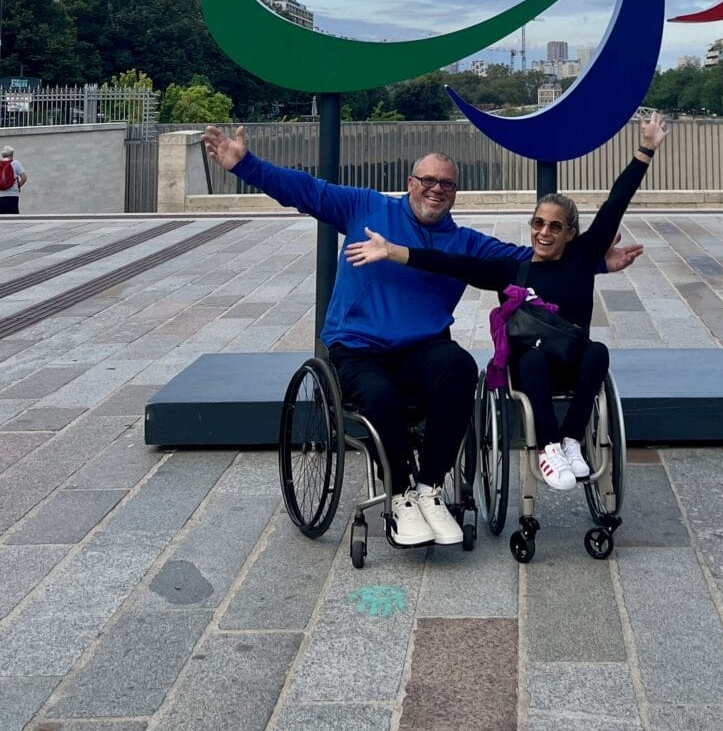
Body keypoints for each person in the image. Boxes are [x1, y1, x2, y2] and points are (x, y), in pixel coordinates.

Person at [201, 129, 549, 549]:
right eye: (427, 180)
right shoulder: (367, 207)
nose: (436, 190)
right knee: (381, 397)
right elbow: (304, 190)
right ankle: (400, 492)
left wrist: (595, 258)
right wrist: (244, 164)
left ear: (455, 192)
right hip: (359, 349)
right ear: (410, 183)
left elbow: (531, 259)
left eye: (446, 184)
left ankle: (429, 488)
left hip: (421, 349)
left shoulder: (464, 243)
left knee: (459, 368)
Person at [346, 111, 667, 493]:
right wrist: (395, 251)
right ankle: (548, 447)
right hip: (530, 366)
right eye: (538, 224)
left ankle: (570, 440)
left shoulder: (582, 258)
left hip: (572, 359)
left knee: (598, 351)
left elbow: (616, 203)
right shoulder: (509, 269)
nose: (544, 233)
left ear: (571, 234)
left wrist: (645, 150)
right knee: (531, 359)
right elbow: (451, 264)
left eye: (555, 227)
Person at [0, 145, 26, 215]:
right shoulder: (16, 163)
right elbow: (24, 178)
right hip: (13, 195)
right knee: (13, 218)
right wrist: (17, 187)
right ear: (12, 155)